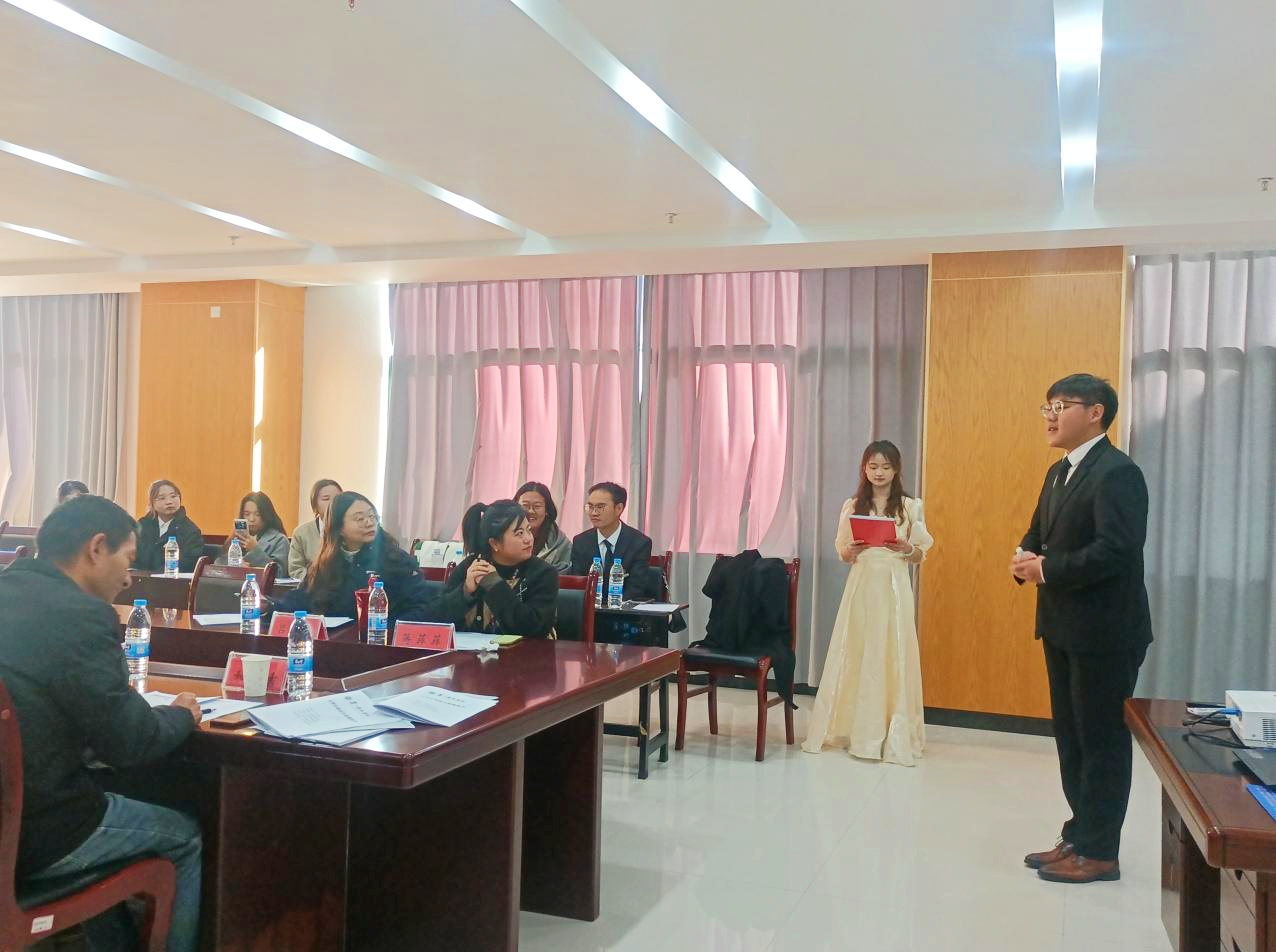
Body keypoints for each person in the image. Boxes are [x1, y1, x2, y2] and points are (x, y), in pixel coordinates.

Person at [0, 496, 202, 951]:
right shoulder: (82, 616)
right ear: (96, 548)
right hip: (36, 834)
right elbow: (130, 742)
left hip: (15, 816)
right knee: (184, 838)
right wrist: (181, 714)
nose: (129, 577)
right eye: (127, 559)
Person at [1012, 374, 1152, 885]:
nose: (1050, 415)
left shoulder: (1118, 472)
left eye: (1061, 405)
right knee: (1071, 739)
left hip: (1105, 633)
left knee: (1102, 742)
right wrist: (1025, 554)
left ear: (1095, 413)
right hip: (1062, 626)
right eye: (1047, 406)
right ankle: (1079, 834)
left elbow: (1117, 550)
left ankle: (1100, 852)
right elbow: (1039, 531)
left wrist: (1047, 569)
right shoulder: (1059, 471)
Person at [802, 440, 933, 766]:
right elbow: (843, 551)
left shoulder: (909, 507)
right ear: (864, 468)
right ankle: (854, 728)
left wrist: (905, 548)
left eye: (886, 467)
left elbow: (920, 554)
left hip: (894, 586)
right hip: (861, 586)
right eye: (873, 466)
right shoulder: (853, 505)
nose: (879, 472)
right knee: (858, 649)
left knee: (892, 651)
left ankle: (890, 731)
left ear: (896, 470)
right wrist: (852, 550)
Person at [276, 491, 433, 627]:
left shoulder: (395, 559)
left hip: (380, 640)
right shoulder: (326, 563)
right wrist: (271, 605)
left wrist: (388, 629)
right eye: (360, 519)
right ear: (339, 528)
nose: (369, 523)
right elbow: (302, 598)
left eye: (372, 516)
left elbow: (420, 606)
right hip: (337, 641)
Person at [433, 500, 559, 637]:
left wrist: (495, 585)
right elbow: (435, 619)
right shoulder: (470, 568)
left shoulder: (543, 573)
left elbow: (536, 629)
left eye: (528, 530)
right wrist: (465, 591)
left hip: (526, 650)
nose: (528, 539)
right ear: (494, 543)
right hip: (470, 649)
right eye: (519, 533)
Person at [568, 481, 657, 598]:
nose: (594, 513)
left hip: (624, 606)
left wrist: (611, 605)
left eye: (600, 507)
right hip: (590, 607)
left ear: (619, 508)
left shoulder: (639, 543)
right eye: (590, 507)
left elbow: (636, 588)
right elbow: (578, 584)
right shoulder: (581, 541)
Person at [133, 479, 203, 573]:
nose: (169, 502)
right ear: (152, 503)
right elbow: (131, 554)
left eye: (173, 496)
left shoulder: (190, 530)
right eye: (162, 498)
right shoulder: (143, 525)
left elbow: (189, 563)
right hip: (140, 577)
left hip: (170, 578)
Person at [218, 491, 289, 572]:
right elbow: (217, 563)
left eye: (257, 514)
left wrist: (254, 550)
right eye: (247, 514)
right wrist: (234, 563)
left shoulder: (280, 540)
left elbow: (280, 573)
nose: (251, 519)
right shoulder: (238, 537)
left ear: (266, 515)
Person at [289, 478, 342, 580]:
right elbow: (296, 569)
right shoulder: (302, 532)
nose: (332, 503)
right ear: (315, 504)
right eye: (326, 499)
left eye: (337, 498)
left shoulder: (351, 530)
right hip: (310, 586)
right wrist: (317, 582)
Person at [515, 481, 571, 572]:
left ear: (547, 510)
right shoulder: (505, 538)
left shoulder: (562, 544)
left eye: (537, 506)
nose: (531, 511)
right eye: (525, 505)